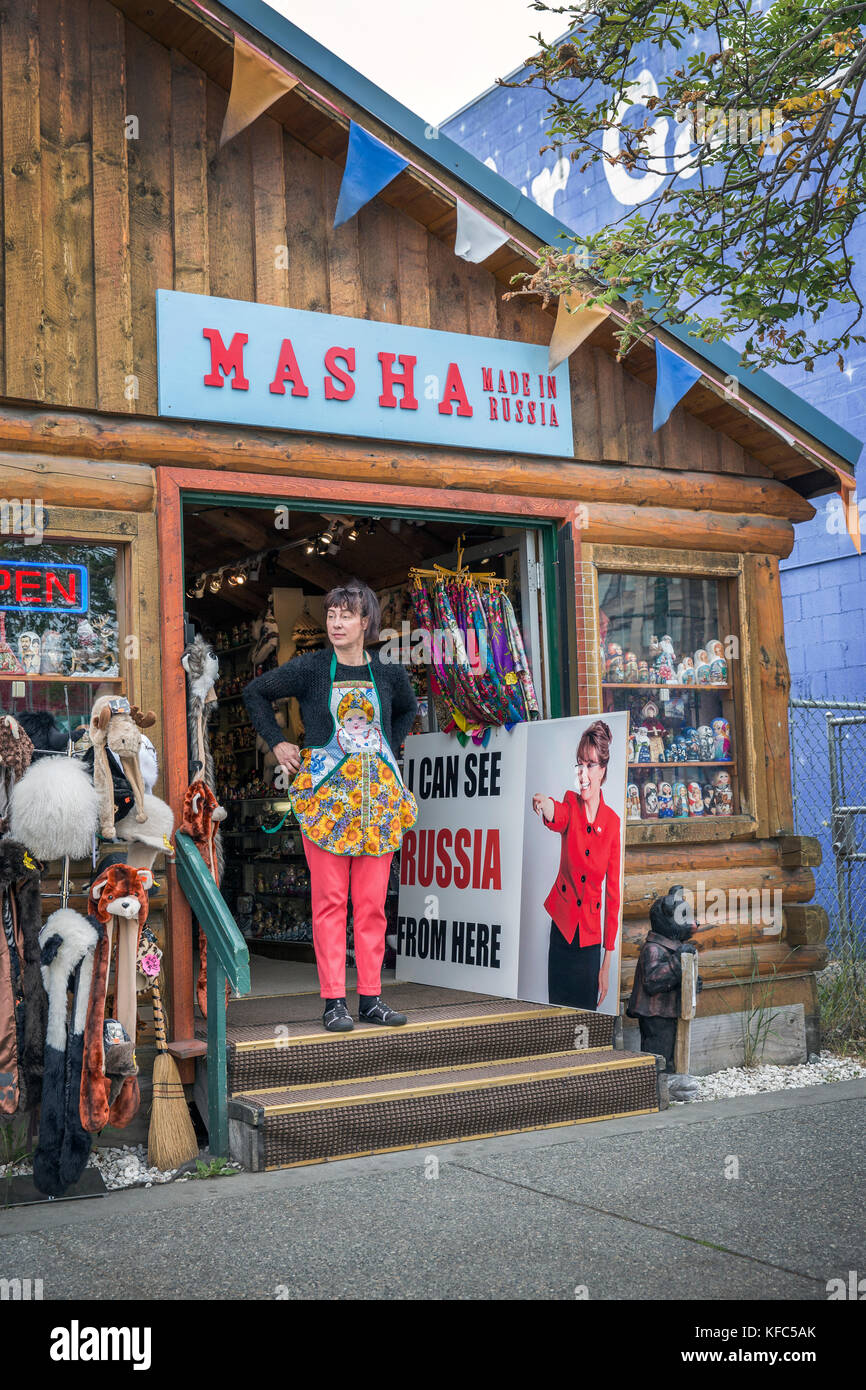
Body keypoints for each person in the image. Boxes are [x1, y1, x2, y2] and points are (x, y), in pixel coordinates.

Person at [243, 580, 418, 1031]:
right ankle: (334, 1002)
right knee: (329, 902)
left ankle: (373, 999)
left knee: (372, 904)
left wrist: (384, 749)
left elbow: (407, 710)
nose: (336, 622)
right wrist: (279, 741)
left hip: (376, 802)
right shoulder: (311, 668)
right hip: (326, 801)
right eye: (332, 614)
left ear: (366, 622)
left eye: (346, 615)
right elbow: (254, 693)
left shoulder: (390, 673)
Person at [531, 719, 621, 1011]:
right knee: (557, 1014)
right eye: (579, 764)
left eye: (590, 765)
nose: (582, 773)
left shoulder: (612, 824)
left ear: (603, 770)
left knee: (584, 1019)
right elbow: (558, 814)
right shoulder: (570, 803)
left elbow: (613, 897)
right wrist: (545, 804)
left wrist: (606, 964)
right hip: (562, 930)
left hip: (590, 943)